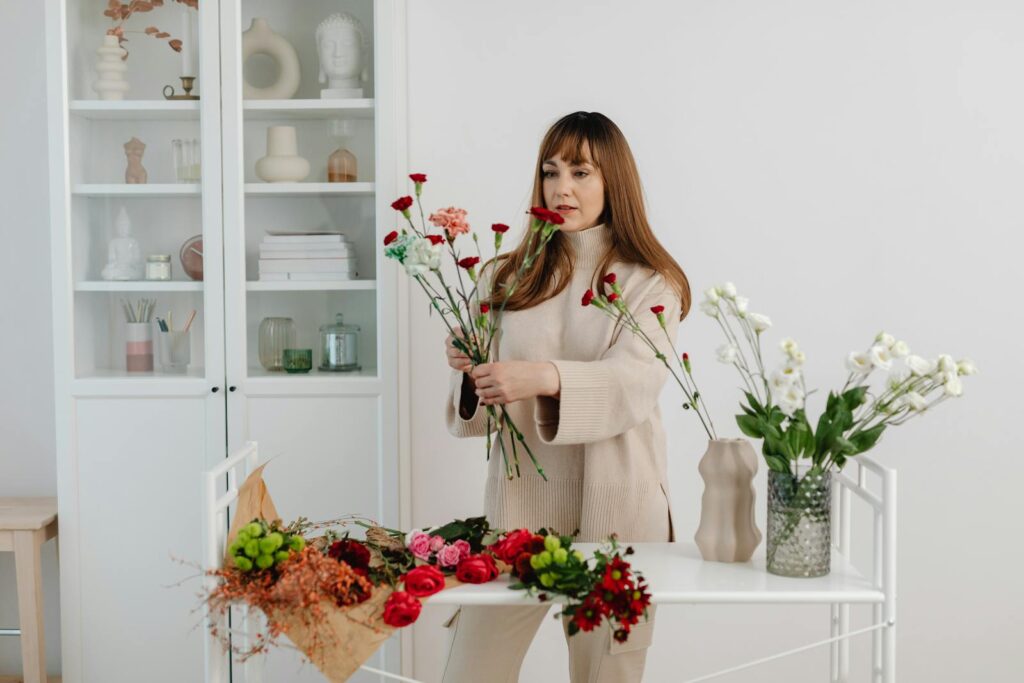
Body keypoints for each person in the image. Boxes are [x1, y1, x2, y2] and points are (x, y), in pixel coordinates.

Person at [441, 111, 692, 683]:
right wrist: (469, 372)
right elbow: (477, 418)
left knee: (607, 676)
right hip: (519, 510)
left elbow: (636, 382)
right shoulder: (504, 277)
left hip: (618, 510)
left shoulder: (652, 281)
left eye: (581, 172)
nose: (562, 188)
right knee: (470, 671)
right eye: (551, 172)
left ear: (613, 182)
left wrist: (543, 378)